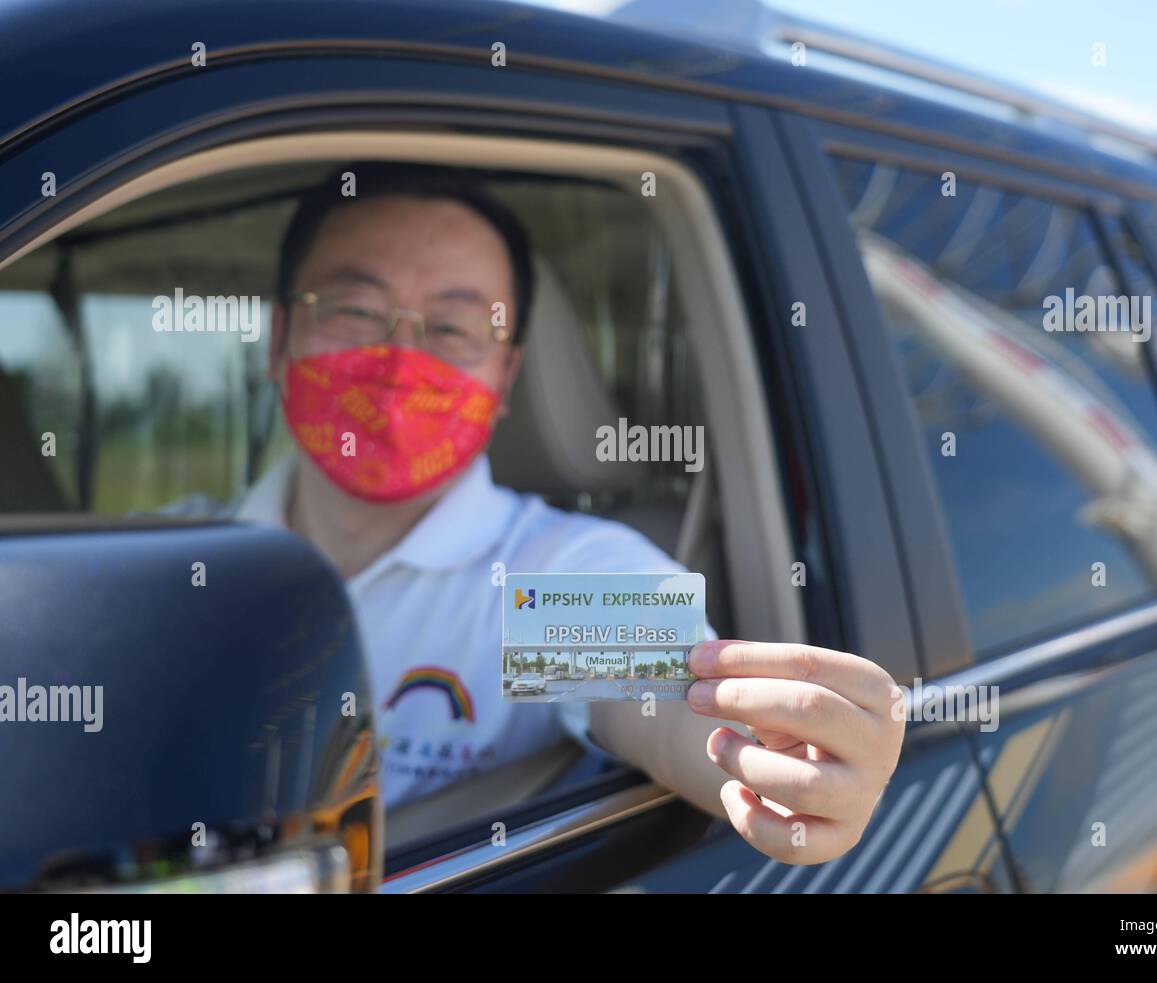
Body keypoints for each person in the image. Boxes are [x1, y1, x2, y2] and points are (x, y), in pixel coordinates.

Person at [235, 162, 905, 865]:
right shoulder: (177, 558)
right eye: (357, 311)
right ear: (279, 339)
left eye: (453, 326)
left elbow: (666, 690)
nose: (400, 360)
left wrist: (780, 758)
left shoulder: (543, 576)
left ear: (504, 377)